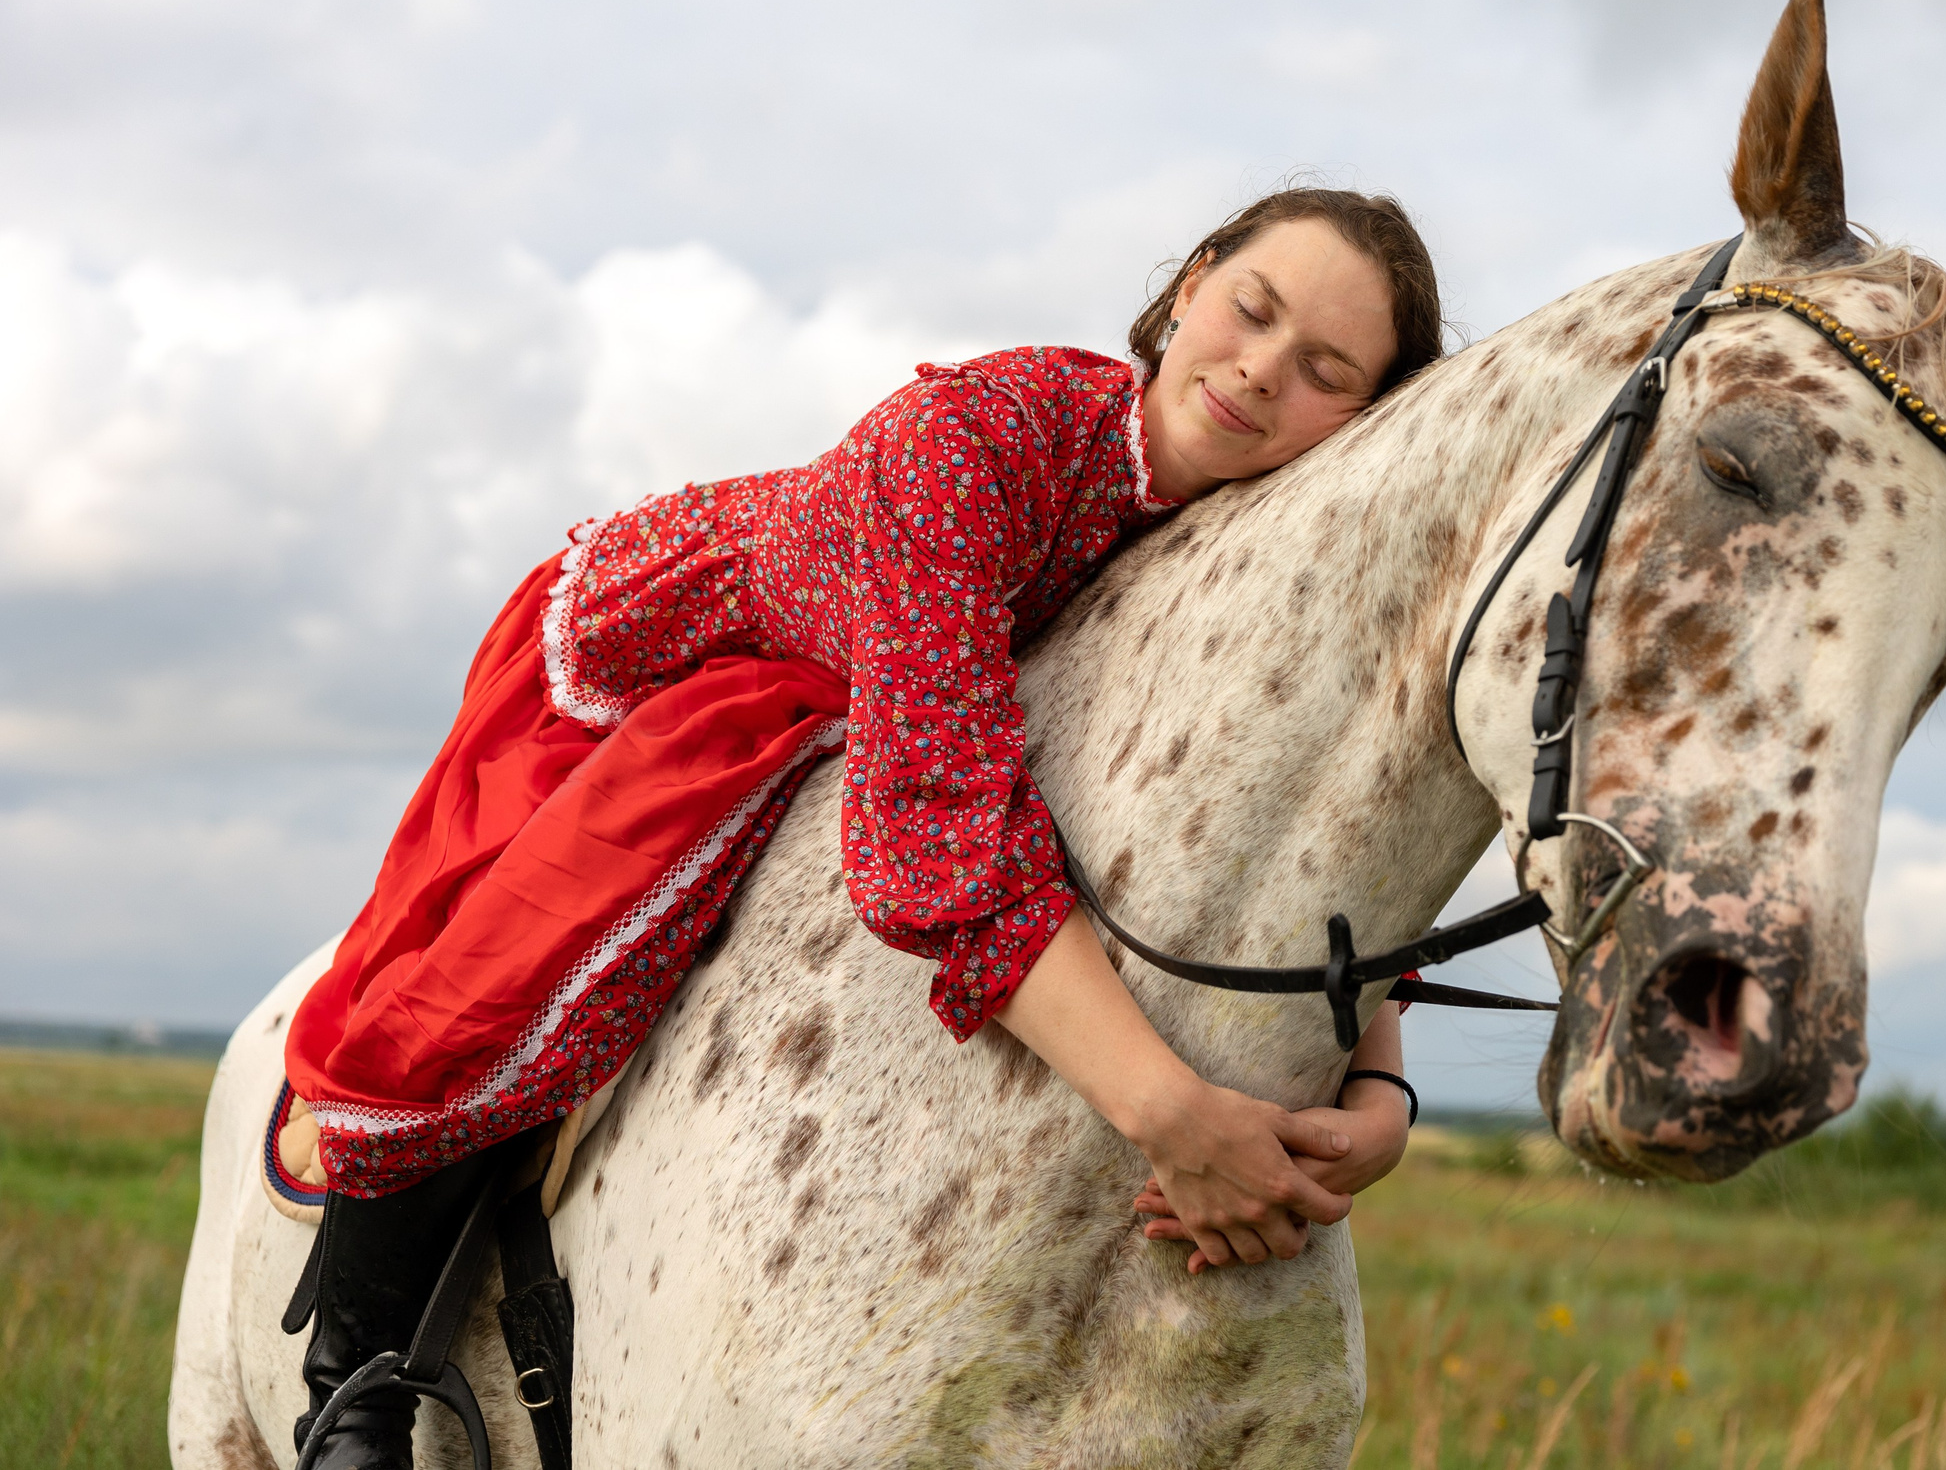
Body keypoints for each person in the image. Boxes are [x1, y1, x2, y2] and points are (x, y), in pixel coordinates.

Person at [278, 187, 1445, 1468]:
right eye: (1252, 309)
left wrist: (1381, 1092)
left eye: (1324, 370)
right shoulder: (967, 440)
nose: (1260, 370)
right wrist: (1169, 1109)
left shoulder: (1244, 551)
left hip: (921, 706)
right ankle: (360, 1387)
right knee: (515, 977)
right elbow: (940, 852)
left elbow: (1302, 838)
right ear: (1192, 285)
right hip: (691, 661)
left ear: (1362, 422)